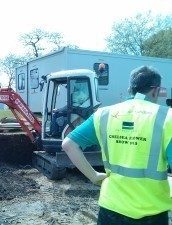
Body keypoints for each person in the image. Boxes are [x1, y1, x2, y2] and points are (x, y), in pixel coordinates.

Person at [62, 65, 172, 225]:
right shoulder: (167, 118)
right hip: (151, 212)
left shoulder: (103, 114)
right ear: (155, 90)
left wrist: (94, 176)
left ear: (130, 89)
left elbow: (68, 144)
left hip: (110, 208)